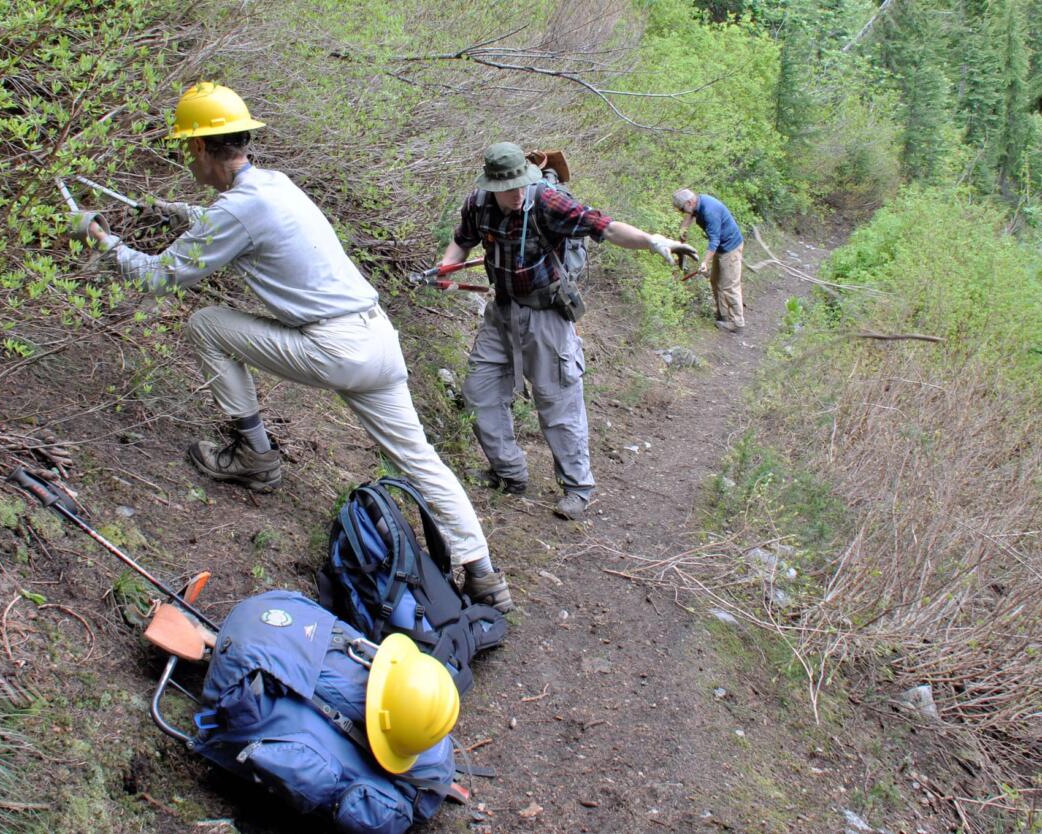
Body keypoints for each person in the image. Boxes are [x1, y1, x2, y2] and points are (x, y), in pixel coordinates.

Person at [74, 83, 511, 612]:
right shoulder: (274, 184)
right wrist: (180, 213)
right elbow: (239, 223)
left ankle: (255, 456)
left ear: (197, 148)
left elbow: (156, 277)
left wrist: (101, 238)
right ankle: (483, 574)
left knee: (208, 324)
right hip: (377, 339)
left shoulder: (237, 209)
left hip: (335, 348)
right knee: (419, 459)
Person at [438, 143, 696, 521]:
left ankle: (577, 488)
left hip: (547, 317)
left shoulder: (547, 201)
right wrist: (446, 267)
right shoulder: (478, 204)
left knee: (558, 405)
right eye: (507, 187)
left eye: (521, 184)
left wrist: (654, 240)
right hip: (501, 313)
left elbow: (604, 227)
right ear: (490, 185)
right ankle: (509, 473)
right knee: (479, 394)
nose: (516, 193)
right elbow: (462, 241)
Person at [673, 188, 745, 332]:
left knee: (729, 285)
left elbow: (714, 241)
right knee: (716, 281)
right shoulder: (697, 203)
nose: (683, 212)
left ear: (689, 202)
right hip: (721, 248)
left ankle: (737, 323)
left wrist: (705, 262)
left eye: (682, 209)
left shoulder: (709, 212)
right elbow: (690, 215)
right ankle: (723, 316)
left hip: (730, 247)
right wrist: (683, 232)